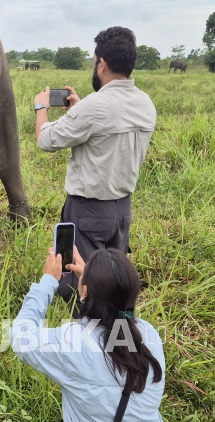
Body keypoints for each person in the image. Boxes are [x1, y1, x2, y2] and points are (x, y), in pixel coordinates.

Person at [4, 247, 182, 422]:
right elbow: (112, 320)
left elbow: (20, 336)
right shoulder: (149, 336)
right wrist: (98, 284)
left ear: (85, 289)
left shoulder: (74, 345)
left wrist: (48, 281)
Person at [34, 26, 156, 307]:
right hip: (122, 211)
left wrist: (41, 108)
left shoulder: (94, 106)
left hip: (88, 209)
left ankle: (85, 336)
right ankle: (119, 335)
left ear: (101, 64)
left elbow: (46, 139)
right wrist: (79, 108)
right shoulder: (145, 104)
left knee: (80, 282)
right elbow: (108, 126)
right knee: (112, 280)